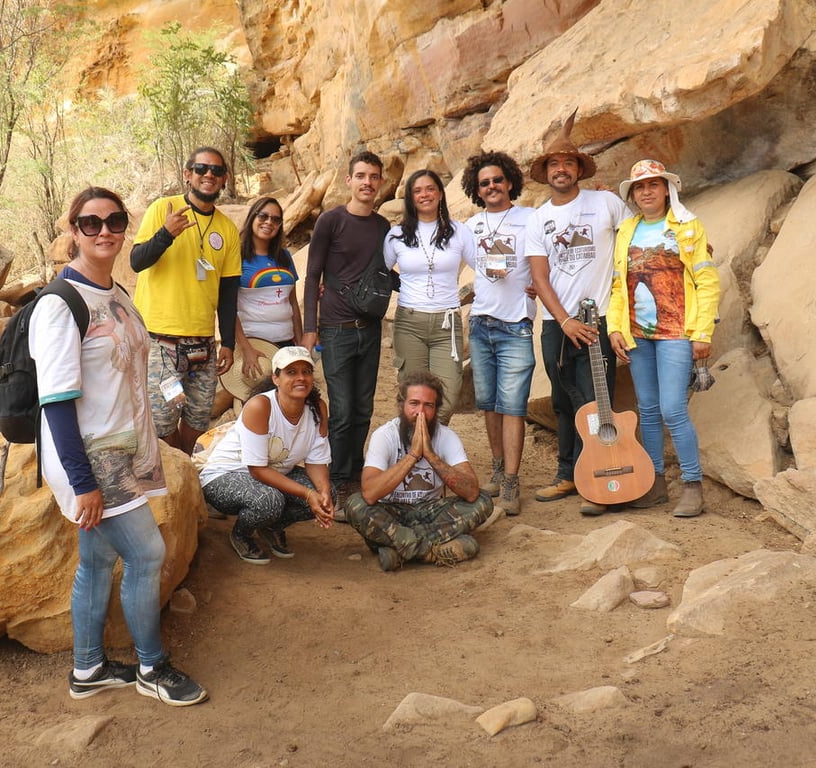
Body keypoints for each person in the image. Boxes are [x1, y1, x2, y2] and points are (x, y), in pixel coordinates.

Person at [31, 186, 207, 707]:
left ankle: (88, 669)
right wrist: (83, 484)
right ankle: (153, 667)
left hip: (123, 450)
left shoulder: (117, 294)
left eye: (114, 220)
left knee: (96, 557)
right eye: (90, 223)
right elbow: (56, 403)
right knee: (148, 553)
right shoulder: (60, 304)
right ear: (72, 230)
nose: (104, 230)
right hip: (91, 459)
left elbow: (135, 371)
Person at [524, 108, 632, 516]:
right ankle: (568, 472)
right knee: (562, 400)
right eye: (554, 164)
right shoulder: (539, 219)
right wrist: (564, 320)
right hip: (557, 323)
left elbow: (634, 241)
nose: (562, 169)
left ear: (579, 169)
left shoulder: (605, 202)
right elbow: (541, 277)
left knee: (594, 399)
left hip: (600, 319)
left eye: (569, 162)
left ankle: (603, 475)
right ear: (546, 172)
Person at [608, 159, 720, 518]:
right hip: (639, 334)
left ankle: (692, 485)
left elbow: (707, 280)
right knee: (649, 411)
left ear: (666, 189)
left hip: (677, 332)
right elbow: (617, 285)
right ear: (634, 194)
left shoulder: (687, 227)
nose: (647, 192)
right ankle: (654, 483)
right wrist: (615, 327)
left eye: (653, 185)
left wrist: (702, 332)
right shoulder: (627, 230)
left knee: (673, 408)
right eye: (640, 187)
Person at [131, 146, 241, 456]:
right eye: (202, 168)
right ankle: (176, 474)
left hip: (203, 346)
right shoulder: (162, 209)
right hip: (161, 344)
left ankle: (191, 475)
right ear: (187, 174)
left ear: (224, 179)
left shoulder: (227, 229)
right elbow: (137, 262)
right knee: (164, 425)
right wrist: (166, 234)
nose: (209, 175)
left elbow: (229, 292)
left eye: (217, 171)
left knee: (197, 421)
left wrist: (228, 343)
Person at [301, 151, 391, 494]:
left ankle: (355, 473)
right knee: (340, 410)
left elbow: (383, 276)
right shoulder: (331, 221)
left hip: (369, 329)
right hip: (336, 331)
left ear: (380, 182)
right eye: (361, 176)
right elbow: (312, 277)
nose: (367, 182)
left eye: (373, 176)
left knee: (364, 408)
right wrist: (311, 329)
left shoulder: (383, 227)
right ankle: (337, 481)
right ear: (349, 181)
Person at [343, 371, 494, 571]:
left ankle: (399, 549)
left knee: (483, 500)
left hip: (432, 512)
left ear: (437, 409)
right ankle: (431, 552)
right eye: (414, 404)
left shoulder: (446, 437)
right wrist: (413, 455)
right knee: (355, 505)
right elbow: (370, 494)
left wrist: (430, 455)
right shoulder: (384, 436)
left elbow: (471, 491)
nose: (420, 412)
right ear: (402, 405)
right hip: (393, 513)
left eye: (428, 405)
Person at [199, 346, 335, 564]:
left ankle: (271, 526)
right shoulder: (260, 406)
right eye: (291, 372)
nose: (301, 378)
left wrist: (323, 492)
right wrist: (309, 495)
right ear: (276, 378)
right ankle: (241, 534)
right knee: (269, 501)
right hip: (225, 475)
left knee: (331, 494)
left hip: (270, 477)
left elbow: (316, 460)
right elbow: (257, 469)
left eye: (306, 371)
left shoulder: (318, 408)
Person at [460, 152, 537, 516]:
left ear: (509, 182)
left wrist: (539, 284)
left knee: (513, 406)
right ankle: (495, 466)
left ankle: (510, 480)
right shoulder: (471, 227)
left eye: (497, 180)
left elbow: (547, 260)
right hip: (481, 324)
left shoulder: (530, 218)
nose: (491, 187)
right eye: (484, 183)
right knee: (488, 403)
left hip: (516, 325)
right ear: (477, 190)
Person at [383, 169, 477, 425]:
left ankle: (430, 454)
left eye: (430, 188)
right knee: (412, 397)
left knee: (446, 398)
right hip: (409, 322)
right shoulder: (397, 235)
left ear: (440, 193)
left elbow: (485, 267)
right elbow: (380, 272)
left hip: (447, 322)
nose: (424, 194)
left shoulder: (459, 231)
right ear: (410, 198)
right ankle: (414, 460)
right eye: (417, 190)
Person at [234, 196, 302, 379]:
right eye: (263, 216)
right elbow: (228, 308)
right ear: (252, 219)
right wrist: (245, 348)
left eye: (276, 219)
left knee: (286, 402)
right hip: (255, 344)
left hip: (286, 343)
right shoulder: (237, 257)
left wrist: (300, 343)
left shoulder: (285, 257)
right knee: (254, 401)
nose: (269, 222)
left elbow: (293, 303)